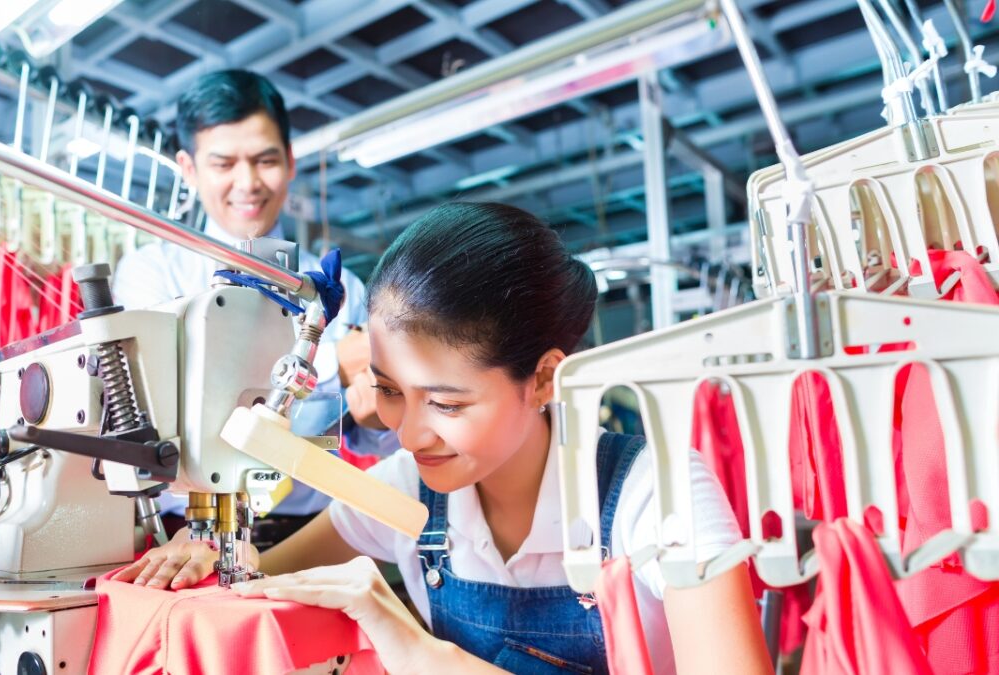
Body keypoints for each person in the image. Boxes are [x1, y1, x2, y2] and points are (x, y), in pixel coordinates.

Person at [115, 202, 772, 675]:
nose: (409, 431)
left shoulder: (655, 498)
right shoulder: (405, 492)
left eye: (447, 402)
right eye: (391, 391)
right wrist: (211, 555)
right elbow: (259, 571)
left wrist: (422, 651)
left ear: (543, 378)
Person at [112, 69, 395, 544]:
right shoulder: (149, 275)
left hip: (310, 533)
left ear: (289, 160)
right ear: (188, 167)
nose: (248, 183)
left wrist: (378, 411)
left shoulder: (341, 286)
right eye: (223, 163)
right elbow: (183, 402)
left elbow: (371, 436)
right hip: (187, 536)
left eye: (265, 161)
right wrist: (332, 361)